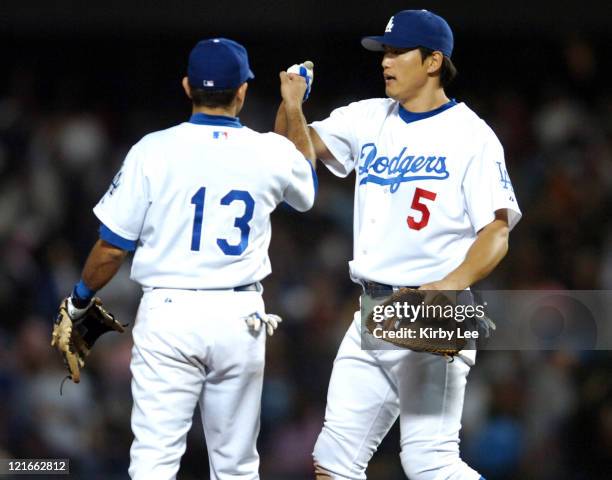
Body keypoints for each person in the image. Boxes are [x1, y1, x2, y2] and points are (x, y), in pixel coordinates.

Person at [275, 9, 522, 480]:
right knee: (333, 461)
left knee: (430, 463)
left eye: (396, 51)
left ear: (433, 62)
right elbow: (289, 156)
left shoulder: (472, 136)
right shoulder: (367, 117)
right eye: (383, 52)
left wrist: (448, 286)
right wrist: (291, 105)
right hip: (372, 305)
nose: (385, 61)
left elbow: (497, 231)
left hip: (432, 306)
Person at [58, 38, 316, 479]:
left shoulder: (152, 150)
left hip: (170, 314)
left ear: (186, 86)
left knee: (154, 460)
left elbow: (112, 247)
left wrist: (79, 301)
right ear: (242, 91)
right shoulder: (268, 151)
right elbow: (305, 187)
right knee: (235, 466)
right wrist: (293, 104)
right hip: (240, 316)